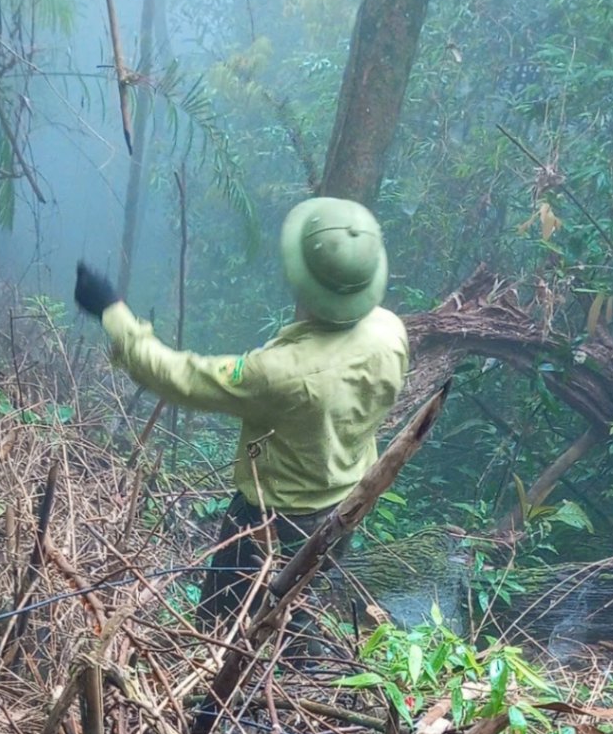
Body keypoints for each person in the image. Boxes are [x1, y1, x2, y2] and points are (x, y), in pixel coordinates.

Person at [74, 198, 408, 624]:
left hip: (269, 522)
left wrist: (111, 311)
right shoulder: (390, 331)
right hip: (347, 501)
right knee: (296, 602)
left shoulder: (281, 373)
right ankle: (294, 667)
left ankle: (231, 687)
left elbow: (181, 376)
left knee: (225, 621)